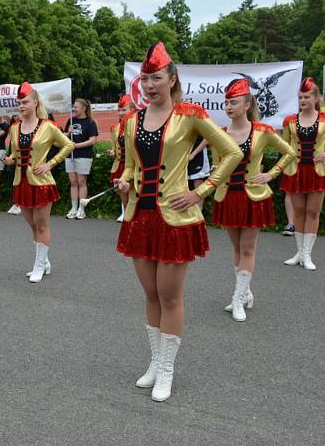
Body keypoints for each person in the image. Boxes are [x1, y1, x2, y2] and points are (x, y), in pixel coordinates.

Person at [113, 42, 242, 402]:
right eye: (145, 79)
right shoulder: (130, 121)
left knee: (170, 296)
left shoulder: (190, 114)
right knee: (150, 294)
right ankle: (155, 362)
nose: (149, 85)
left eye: (156, 78)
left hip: (176, 220)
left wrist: (203, 191)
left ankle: (168, 370)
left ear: (171, 79)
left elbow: (232, 152)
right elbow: (131, 166)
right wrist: (125, 181)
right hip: (140, 217)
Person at [210, 78, 296, 321]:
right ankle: (245, 293)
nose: (228, 107)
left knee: (247, 249)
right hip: (228, 196)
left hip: (253, 197)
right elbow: (218, 165)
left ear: (247, 104)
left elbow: (290, 152)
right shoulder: (220, 134)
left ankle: (238, 299)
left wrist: (271, 174)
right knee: (236, 248)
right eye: (226, 102)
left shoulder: (263, 131)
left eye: (233, 102)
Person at [3, 82, 74, 283]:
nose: (21, 106)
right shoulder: (15, 128)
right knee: (33, 226)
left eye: (25, 102)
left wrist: (50, 164)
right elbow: (16, 155)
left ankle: (39, 265)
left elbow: (68, 145)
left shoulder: (48, 126)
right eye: (19, 103)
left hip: (42, 182)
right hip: (21, 182)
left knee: (42, 225)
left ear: (35, 102)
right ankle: (44, 262)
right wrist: (10, 160)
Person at [281, 77, 325, 270]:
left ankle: (307, 254)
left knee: (313, 212)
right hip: (295, 171)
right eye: (300, 98)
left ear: (316, 98)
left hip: (318, 172)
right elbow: (284, 147)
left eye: (306, 97)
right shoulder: (289, 121)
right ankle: (298, 252)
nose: (302, 101)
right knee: (298, 212)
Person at [64, 98, 99, 220]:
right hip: (70, 156)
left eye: (76, 107)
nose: (74, 108)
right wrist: (68, 133)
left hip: (84, 156)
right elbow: (63, 137)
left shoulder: (90, 122)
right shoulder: (71, 120)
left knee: (81, 182)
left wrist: (76, 146)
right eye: (73, 106)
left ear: (84, 108)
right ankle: (73, 208)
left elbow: (93, 140)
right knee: (73, 182)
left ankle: (81, 209)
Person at [109, 95, 136, 222]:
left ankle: (131, 216)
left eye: (123, 110)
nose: (120, 113)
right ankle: (125, 213)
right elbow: (116, 148)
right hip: (121, 164)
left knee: (133, 194)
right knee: (122, 192)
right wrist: (112, 152)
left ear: (132, 109)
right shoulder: (116, 128)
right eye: (119, 110)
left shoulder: (138, 125)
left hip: (135, 166)